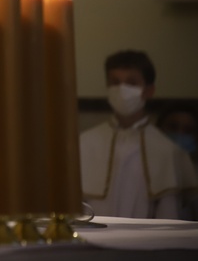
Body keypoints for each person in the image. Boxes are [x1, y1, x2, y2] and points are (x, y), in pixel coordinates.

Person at [79, 50, 198, 219]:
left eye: (131, 82)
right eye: (115, 82)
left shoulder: (167, 150)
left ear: (148, 90)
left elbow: (170, 213)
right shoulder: (85, 143)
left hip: (145, 242)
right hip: (91, 238)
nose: (122, 89)